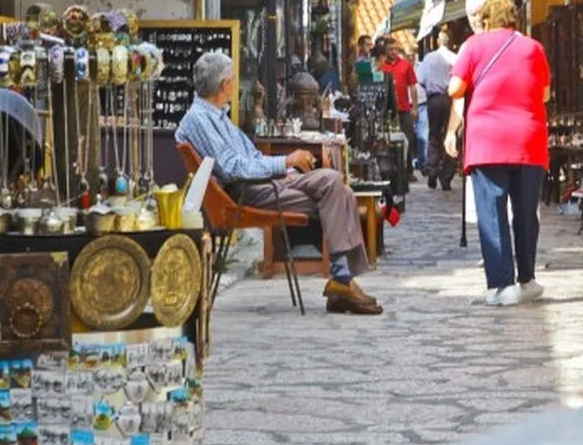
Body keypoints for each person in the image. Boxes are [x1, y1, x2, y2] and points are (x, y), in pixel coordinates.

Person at [176, 52, 382, 315]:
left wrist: (285, 170)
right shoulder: (200, 119)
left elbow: (250, 157)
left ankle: (341, 281)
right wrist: (285, 162)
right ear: (224, 84)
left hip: (264, 183)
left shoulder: (215, 115)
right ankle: (342, 281)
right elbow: (233, 168)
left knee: (336, 185)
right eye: (233, 80)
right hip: (249, 192)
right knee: (335, 189)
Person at [446, 0, 551, 306]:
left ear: (487, 20)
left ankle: (502, 285)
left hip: (488, 140)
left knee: (492, 211)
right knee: (525, 212)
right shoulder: (533, 47)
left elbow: (455, 89)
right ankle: (528, 279)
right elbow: (544, 94)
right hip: (528, 139)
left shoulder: (473, 46)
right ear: (514, 19)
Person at [418, 28, 458, 191]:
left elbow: (421, 79)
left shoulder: (429, 58)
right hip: (450, 98)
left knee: (434, 134)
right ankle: (446, 177)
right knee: (450, 134)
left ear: (437, 41)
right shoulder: (455, 58)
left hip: (434, 99)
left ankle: (432, 169)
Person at [382, 39, 420, 182]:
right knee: (388, 139)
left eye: (395, 49)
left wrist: (414, 107)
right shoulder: (381, 66)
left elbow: (413, 86)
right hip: (387, 110)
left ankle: (408, 170)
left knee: (408, 139)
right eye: (390, 49)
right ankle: (391, 168)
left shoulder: (405, 65)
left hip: (404, 108)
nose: (393, 52)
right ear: (386, 50)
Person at [410, 47, 428, 175]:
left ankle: (422, 162)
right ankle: (411, 161)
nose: (411, 58)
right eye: (408, 55)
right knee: (411, 135)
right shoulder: (403, 67)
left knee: (423, 135)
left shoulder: (422, 67)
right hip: (408, 105)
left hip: (422, 103)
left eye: (413, 55)